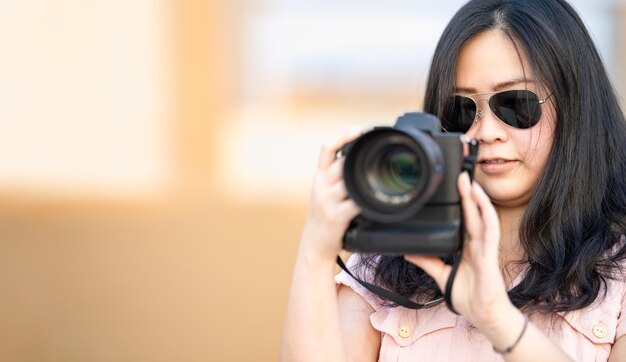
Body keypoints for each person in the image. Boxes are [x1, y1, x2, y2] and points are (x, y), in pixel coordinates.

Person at [280, 0, 626, 360]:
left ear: (575, 105)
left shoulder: (619, 275)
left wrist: (498, 321)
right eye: (461, 109)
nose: (487, 131)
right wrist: (315, 253)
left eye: (516, 104)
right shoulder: (385, 262)